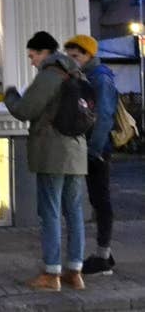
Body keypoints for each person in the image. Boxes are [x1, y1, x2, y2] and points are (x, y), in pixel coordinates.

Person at [3, 31, 87, 292]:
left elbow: (25, 110)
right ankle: (75, 271)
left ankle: (52, 274)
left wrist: (10, 94)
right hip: (76, 150)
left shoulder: (50, 74)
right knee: (74, 212)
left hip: (52, 151)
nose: (31, 61)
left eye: (32, 55)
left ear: (44, 53)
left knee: (50, 212)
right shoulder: (76, 73)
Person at [63, 34, 119, 276]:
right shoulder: (85, 76)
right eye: (70, 56)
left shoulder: (100, 78)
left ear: (88, 55)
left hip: (96, 149)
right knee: (96, 199)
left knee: (100, 200)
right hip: (86, 146)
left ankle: (102, 256)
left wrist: (94, 150)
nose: (72, 60)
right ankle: (104, 252)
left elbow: (105, 115)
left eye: (76, 56)